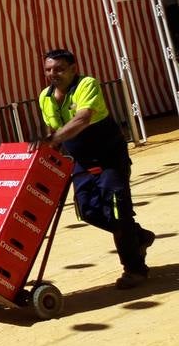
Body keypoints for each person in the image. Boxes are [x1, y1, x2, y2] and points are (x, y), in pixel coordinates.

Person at [38, 48, 155, 289]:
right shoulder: (45, 97)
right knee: (88, 211)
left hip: (109, 157)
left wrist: (54, 138)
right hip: (81, 160)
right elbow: (53, 131)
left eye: (59, 69)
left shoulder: (86, 84)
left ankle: (134, 269)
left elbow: (82, 118)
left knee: (117, 210)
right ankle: (139, 236)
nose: (53, 74)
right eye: (49, 69)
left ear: (73, 68)